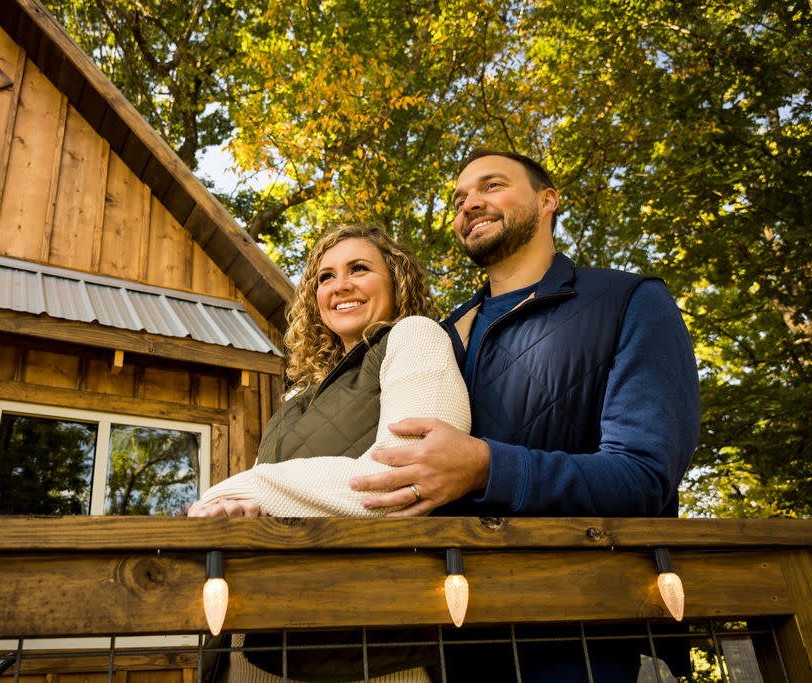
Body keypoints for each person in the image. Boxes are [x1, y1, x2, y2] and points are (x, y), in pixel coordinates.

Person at [345, 149, 701, 681]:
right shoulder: (435, 338)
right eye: (460, 198)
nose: (470, 204)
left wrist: (487, 466)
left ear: (547, 200)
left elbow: (645, 476)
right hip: (445, 628)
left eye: (491, 186)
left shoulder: (630, 300)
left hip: (581, 627)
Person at [191, 224, 462, 681]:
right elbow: (257, 509)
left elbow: (397, 481)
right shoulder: (296, 397)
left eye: (359, 269)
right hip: (252, 644)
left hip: (371, 651)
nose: (340, 285)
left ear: (398, 281)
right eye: (325, 277)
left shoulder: (415, 337)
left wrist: (237, 490)